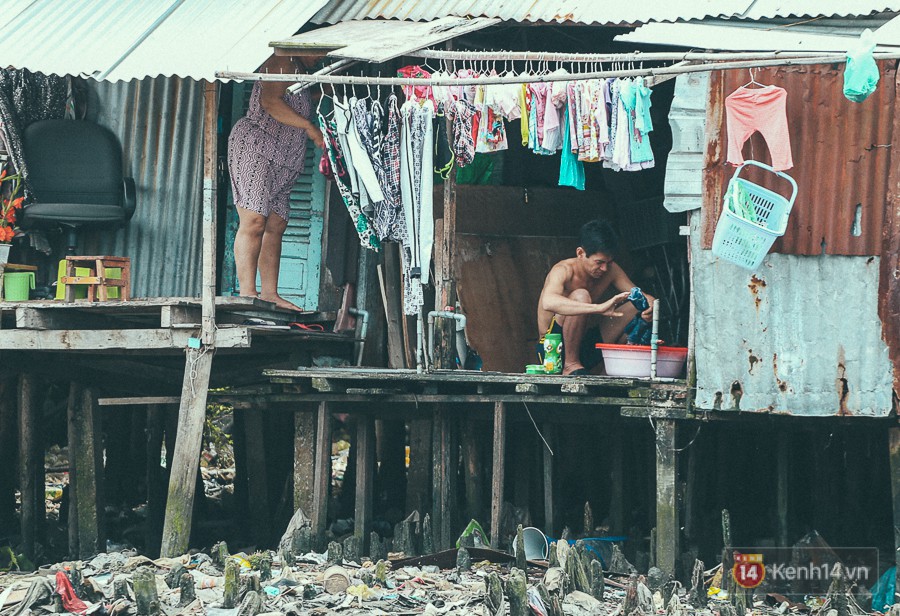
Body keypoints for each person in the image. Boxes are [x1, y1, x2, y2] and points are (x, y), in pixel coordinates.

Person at [228, 54, 325, 311]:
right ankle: (248, 293)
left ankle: (270, 293)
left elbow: (299, 99)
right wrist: (309, 127)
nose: (322, 58)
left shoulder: (302, 72)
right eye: (320, 52)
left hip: (286, 156)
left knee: (276, 223)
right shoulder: (280, 61)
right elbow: (270, 101)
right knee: (255, 220)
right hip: (257, 147)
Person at [537, 219, 655, 375]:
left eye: (609, 262)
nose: (604, 268)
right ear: (580, 253)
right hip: (553, 352)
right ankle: (570, 365)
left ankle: (610, 373)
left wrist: (651, 305)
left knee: (637, 305)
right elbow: (548, 302)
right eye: (599, 262)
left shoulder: (610, 270)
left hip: (585, 345)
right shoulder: (563, 270)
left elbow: (641, 295)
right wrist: (598, 308)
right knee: (581, 295)